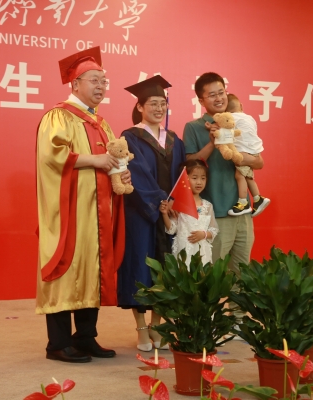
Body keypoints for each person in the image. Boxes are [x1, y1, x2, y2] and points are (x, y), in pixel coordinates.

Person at [35, 47, 130, 363]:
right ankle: (58, 344)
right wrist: (95, 160)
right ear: (75, 84)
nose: (101, 86)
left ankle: (85, 337)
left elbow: (113, 159)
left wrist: (120, 172)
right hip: (72, 212)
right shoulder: (58, 116)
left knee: (93, 268)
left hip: (98, 212)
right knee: (67, 268)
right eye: (94, 80)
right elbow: (52, 156)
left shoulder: (101, 123)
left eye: (104, 81)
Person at [116, 75, 186, 352]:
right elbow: (137, 173)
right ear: (140, 107)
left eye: (162, 103)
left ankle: (157, 326)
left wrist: (174, 203)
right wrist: (159, 201)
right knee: (141, 267)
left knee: (165, 267)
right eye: (153, 103)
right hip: (141, 213)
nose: (159, 108)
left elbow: (181, 173)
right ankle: (141, 329)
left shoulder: (174, 139)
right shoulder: (130, 137)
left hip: (169, 213)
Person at [183, 72, 264, 276]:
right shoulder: (194, 128)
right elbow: (190, 164)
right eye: (212, 95)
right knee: (212, 274)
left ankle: (237, 302)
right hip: (215, 214)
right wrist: (213, 143)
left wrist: (240, 157)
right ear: (201, 100)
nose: (219, 98)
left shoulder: (238, 123)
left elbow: (259, 162)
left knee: (241, 274)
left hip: (243, 213)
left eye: (221, 92)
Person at [159, 159, 219, 264]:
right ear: (185, 179)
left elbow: (214, 230)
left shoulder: (208, 206)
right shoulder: (178, 205)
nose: (199, 182)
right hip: (183, 250)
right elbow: (172, 229)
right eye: (194, 178)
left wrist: (203, 234)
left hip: (201, 252)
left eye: (203, 178)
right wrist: (164, 214)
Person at [226, 93, 271, 217]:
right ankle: (258, 198)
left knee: (239, 175)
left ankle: (243, 202)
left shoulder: (231, 118)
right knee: (247, 176)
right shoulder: (250, 118)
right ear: (241, 106)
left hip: (243, 151)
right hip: (255, 149)